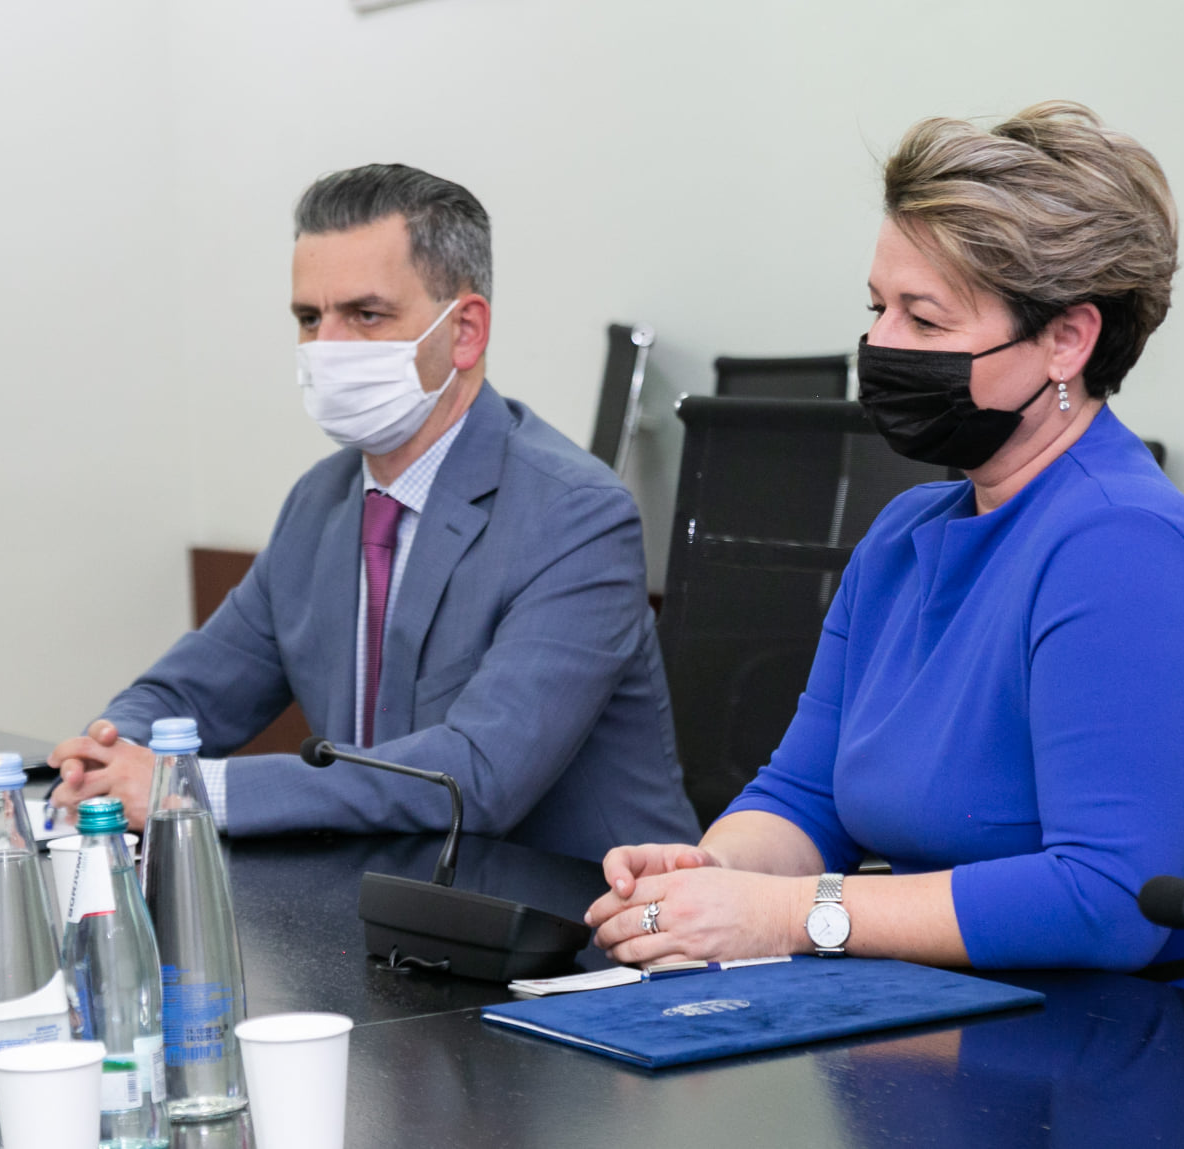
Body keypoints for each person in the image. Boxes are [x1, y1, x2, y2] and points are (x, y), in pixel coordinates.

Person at [586, 103, 1184, 1015]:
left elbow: (1105, 901)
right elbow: (807, 797)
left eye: (924, 320)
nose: (880, 345)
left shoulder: (1126, 546)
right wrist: (710, 874)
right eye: (876, 308)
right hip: (954, 1018)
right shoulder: (904, 535)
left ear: (1066, 339)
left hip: (1166, 1043)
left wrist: (786, 914)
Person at [49, 164, 699, 862]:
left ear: (466, 330)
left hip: (587, 910)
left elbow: (476, 777)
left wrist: (188, 789)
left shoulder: (576, 516)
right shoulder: (320, 501)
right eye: (309, 318)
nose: (326, 346)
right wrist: (108, 752)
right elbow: (193, 689)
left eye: (365, 315)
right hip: (384, 893)